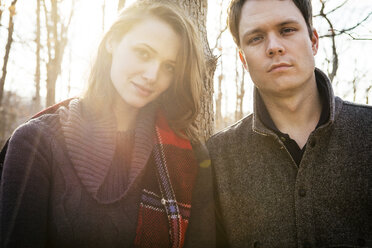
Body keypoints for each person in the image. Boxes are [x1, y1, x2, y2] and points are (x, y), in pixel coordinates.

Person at [0, 1, 215, 247]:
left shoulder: (188, 158)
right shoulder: (35, 143)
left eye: (169, 67)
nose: (153, 75)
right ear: (112, 41)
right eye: (143, 53)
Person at [207, 0, 372, 247]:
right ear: (243, 59)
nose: (274, 47)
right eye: (256, 38)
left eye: (287, 30)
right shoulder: (217, 157)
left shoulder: (367, 133)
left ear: (314, 41)